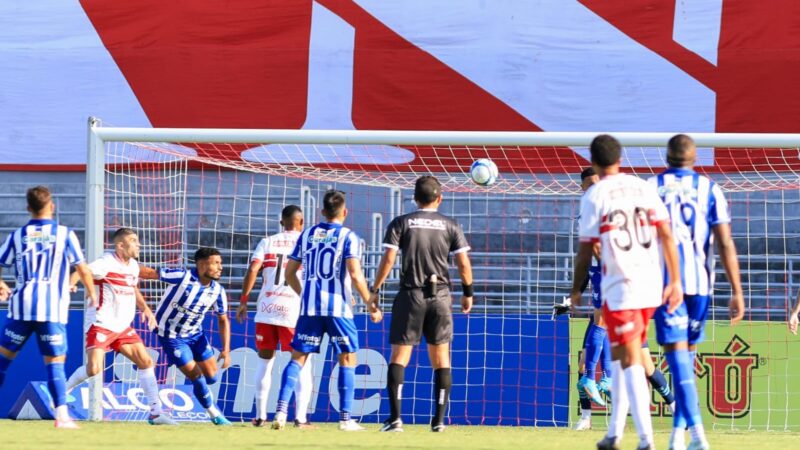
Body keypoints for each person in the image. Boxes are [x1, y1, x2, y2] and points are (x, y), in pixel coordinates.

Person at [571, 135, 683, 450]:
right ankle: (614, 434)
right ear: (620, 158)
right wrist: (674, 280)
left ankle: (645, 439)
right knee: (627, 358)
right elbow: (666, 233)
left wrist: (575, 290)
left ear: (593, 161)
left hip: (621, 285)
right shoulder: (643, 187)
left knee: (629, 360)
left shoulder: (595, 195)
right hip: (651, 282)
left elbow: (586, 250)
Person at [649, 134, 745, 450]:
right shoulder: (710, 189)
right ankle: (679, 438)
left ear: (667, 157)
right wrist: (737, 290)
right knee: (685, 360)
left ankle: (698, 437)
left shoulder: (650, 188)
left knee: (678, 360)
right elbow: (725, 242)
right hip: (700, 286)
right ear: (694, 158)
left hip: (667, 287)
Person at [369, 176, 474, 433]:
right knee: (441, 359)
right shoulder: (451, 225)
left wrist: (375, 289)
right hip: (440, 297)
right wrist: (468, 292)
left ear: (415, 198)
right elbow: (462, 263)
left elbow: (389, 259)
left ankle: (395, 420)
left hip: (410, 294)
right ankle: (438, 421)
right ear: (440, 198)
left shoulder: (402, 222)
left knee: (399, 357)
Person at [271, 190, 380, 431]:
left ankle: (279, 412)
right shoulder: (348, 237)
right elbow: (355, 273)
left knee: (298, 358)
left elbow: (289, 273)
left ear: (322, 212)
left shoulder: (307, 233)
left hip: (309, 308)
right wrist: (370, 301)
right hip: (338, 308)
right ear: (345, 212)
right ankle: (345, 419)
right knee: (347, 358)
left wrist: (306, 293)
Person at [0, 186, 96, 428]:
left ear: (28, 209)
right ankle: (62, 417)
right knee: (54, 362)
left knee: (3, 360)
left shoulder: (17, 235)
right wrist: (92, 293)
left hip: (21, 307)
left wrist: (1, 284)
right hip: (51, 309)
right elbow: (82, 268)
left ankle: (62, 416)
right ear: (51, 206)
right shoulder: (64, 234)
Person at [65, 228, 176, 425]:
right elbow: (83, 271)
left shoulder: (133, 266)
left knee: (146, 361)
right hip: (101, 323)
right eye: (133, 240)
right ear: (120, 246)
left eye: (137, 240)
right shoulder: (106, 262)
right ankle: (62, 393)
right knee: (94, 369)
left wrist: (146, 309)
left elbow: (133, 288)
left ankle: (156, 412)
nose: (138, 244)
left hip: (122, 326)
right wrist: (71, 285)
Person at [235, 205, 314, 428]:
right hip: (294, 310)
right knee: (302, 364)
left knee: (264, 362)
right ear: (301, 222)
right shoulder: (306, 242)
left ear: (282, 222)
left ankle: (260, 416)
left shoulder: (267, 241)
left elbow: (252, 270)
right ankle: (300, 418)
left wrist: (243, 302)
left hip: (266, 309)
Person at [140, 247, 232, 426]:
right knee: (196, 376)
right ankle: (215, 415)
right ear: (202, 264)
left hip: (196, 336)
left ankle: (202, 390)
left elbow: (223, 319)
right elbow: (150, 273)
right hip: (171, 336)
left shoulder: (218, 291)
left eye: (220, 263)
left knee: (212, 377)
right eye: (216, 263)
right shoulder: (182, 277)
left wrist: (226, 350)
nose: (221, 267)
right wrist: (125, 268)